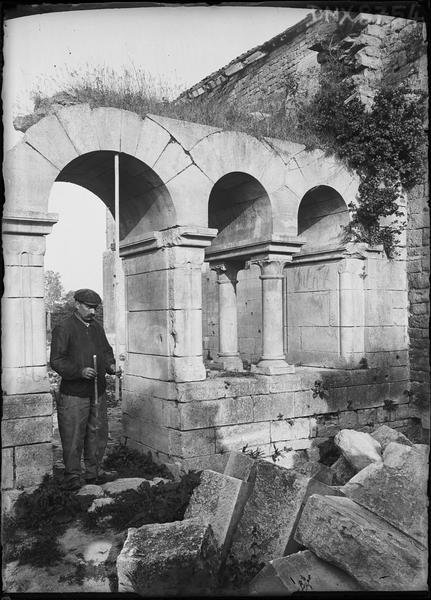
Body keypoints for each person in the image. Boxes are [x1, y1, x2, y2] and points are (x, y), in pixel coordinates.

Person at [50, 288, 120, 491]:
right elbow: (56, 360)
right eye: (89, 308)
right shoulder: (64, 328)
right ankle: (73, 474)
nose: (93, 312)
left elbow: (106, 351)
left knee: (97, 432)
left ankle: (94, 471)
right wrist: (79, 371)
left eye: (95, 308)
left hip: (97, 391)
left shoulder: (96, 328)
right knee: (73, 435)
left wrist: (111, 365)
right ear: (77, 305)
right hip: (73, 393)